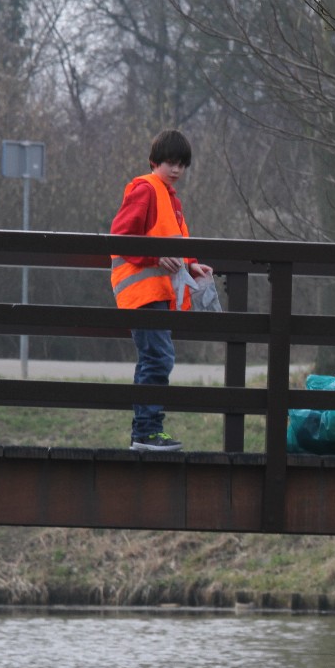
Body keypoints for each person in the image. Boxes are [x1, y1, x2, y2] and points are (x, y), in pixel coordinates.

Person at [110, 129, 213, 452]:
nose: (177, 169)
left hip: (157, 292)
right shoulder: (146, 190)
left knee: (153, 359)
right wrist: (155, 257)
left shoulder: (170, 198)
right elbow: (121, 237)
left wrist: (190, 265)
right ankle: (147, 432)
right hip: (143, 293)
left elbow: (175, 243)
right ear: (154, 161)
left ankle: (144, 433)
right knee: (158, 359)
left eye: (182, 164)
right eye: (170, 162)